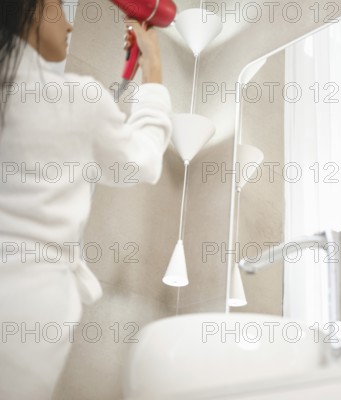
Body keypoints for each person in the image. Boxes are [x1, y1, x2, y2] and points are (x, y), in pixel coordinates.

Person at [0, 0, 172, 398]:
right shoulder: (77, 99)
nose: (70, 26)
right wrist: (154, 75)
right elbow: (141, 162)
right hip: (30, 303)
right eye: (59, 7)